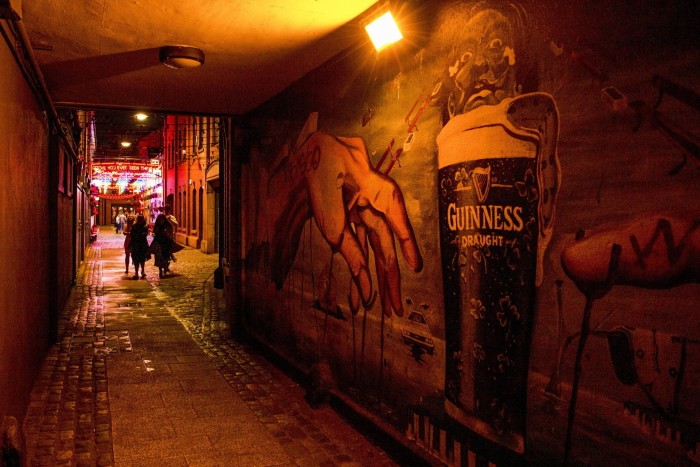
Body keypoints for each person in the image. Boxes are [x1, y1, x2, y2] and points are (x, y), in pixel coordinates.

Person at [151, 213, 173, 278]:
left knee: (165, 256)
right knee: (159, 257)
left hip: (166, 243)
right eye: (160, 219)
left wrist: (168, 235)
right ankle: (160, 271)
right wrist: (154, 234)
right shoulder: (157, 225)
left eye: (162, 219)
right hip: (158, 242)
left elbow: (170, 231)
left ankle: (166, 267)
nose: (161, 221)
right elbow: (154, 232)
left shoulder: (167, 225)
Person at [129, 214, 149, 279]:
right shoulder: (134, 226)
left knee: (141, 259)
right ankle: (137, 272)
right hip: (137, 244)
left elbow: (144, 234)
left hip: (141, 245)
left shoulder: (144, 226)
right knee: (136, 259)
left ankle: (141, 272)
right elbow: (132, 235)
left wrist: (137, 235)